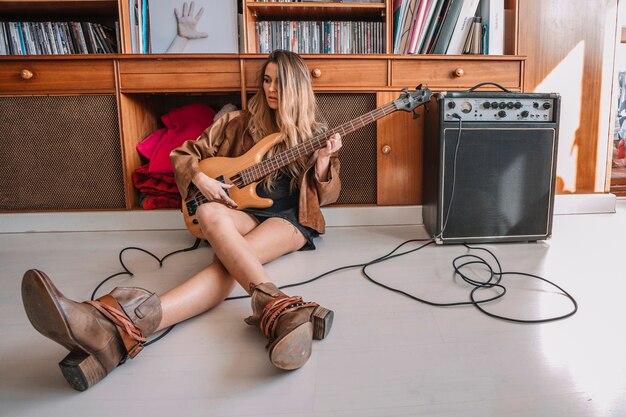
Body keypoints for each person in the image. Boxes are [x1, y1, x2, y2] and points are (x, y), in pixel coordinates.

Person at [21, 50, 343, 391]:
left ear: (298, 86)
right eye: (266, 79)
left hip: (289, 219)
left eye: (280, 82)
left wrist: (322, 161)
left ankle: (116, 328)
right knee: (207, 213)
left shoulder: (316, 133)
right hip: (244, 212)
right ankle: (281, 310)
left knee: (226, 267)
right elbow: (185, 154)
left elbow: (327, 196)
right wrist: (202, 180)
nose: (270, 88)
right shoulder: (237, 122)